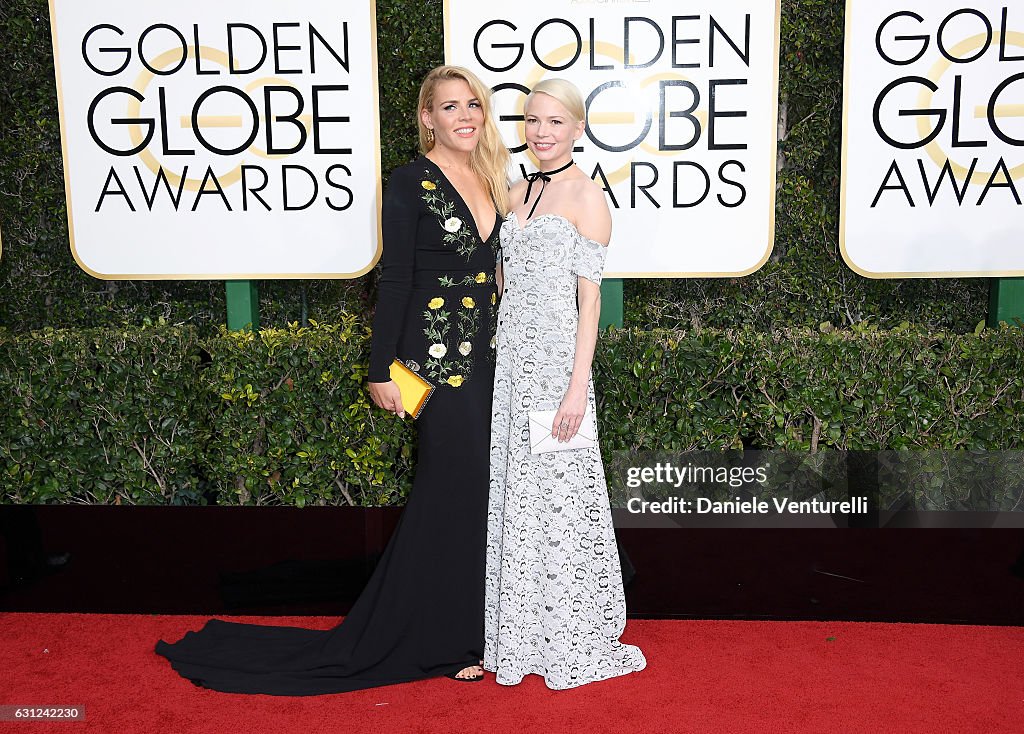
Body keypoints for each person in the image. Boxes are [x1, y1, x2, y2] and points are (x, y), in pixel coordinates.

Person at [155, 65, 509, 694]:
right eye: (449, 106)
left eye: (473, 105)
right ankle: (437, 638)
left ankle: (474, 629)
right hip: (433, 367)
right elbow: (395, 277)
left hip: (489, 361)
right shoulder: (409, 181)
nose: (464, 116)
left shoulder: (492, 179)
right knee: (445, 497)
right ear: (426, 117)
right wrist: (380, 371)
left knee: (480, 503)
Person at [484, 78, 646, 689]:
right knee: (517, 497)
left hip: (556, 371)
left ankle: (568, 630)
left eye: (555, 122)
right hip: (510, 367)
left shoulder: (587, 197)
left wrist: (578, 386)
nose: (541, 132)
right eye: (532, 120)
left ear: (578, 129)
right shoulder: (515, 192)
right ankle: (519, 632)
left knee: (560, 497)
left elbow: (589, 301)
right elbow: (503, 279)